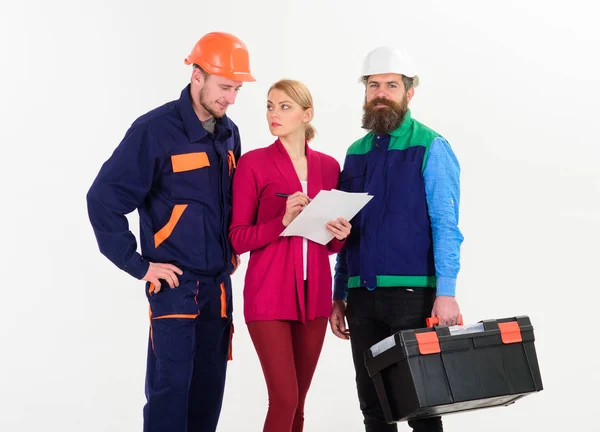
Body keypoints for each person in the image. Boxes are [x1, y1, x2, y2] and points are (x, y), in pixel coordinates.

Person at [86, 32, 255, 432]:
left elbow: (230, 204)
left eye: (237, 89)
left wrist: (232, 249)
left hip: (218, 288)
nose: (231, 99)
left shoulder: (228, 133)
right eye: (225, 87)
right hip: (176, 286)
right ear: (197, 76)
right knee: (169, 397)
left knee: (208, 396)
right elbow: (103, 199)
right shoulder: (154, 131)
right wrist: (138, 265)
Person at [329, 46, 464, 432]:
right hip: (361, 298)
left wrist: (447, 292)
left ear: (409, 93)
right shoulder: (355, 153)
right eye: (374, 85)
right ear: (365, 92)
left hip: (414, 296)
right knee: (373, 407)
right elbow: (345, 229)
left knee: (422, 407)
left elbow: (446, 224)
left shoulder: (431, 146)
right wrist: (339, 294)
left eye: (391, 85)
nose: (381, 93)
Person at [229, 79, 351, 432]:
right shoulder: (253, 164)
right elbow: (237, 239)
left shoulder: (329, 168)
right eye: (270, 106)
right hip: (268, 297)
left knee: (298, 404)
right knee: (284, 398)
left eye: (284, 106)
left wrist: (340, 237)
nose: (274, 114)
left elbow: (327, 244)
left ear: (306, 114)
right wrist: (280, 220)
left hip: (313, 301)